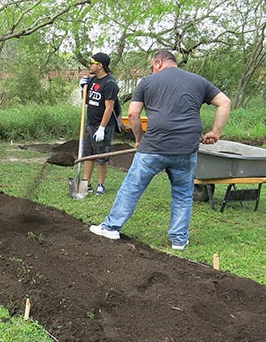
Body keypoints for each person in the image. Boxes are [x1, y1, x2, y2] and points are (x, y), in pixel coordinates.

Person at [89, 50, 231, 250]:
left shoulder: (147, 82)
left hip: (154, 146)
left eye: (151, 67)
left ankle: (111, 227)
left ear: (158, 63)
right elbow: (225, 102)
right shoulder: (199, 81)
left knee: (132, 187)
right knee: (182, 194)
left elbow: (133, 113)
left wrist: (139, 139)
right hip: (186, 148)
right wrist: (216, 132)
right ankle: (179, 240)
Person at [78, 52, 120, 195]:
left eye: (92, 63)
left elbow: (109, 108)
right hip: (90, 124)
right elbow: (86, 101)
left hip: (103, 126)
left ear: (100, 65)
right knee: (88, 155)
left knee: (101, 157)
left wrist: (102, 128)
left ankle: (101, 185)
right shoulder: (92, 81)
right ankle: (85, 183)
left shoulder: (110, 84)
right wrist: (82, 88)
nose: (89, 65)